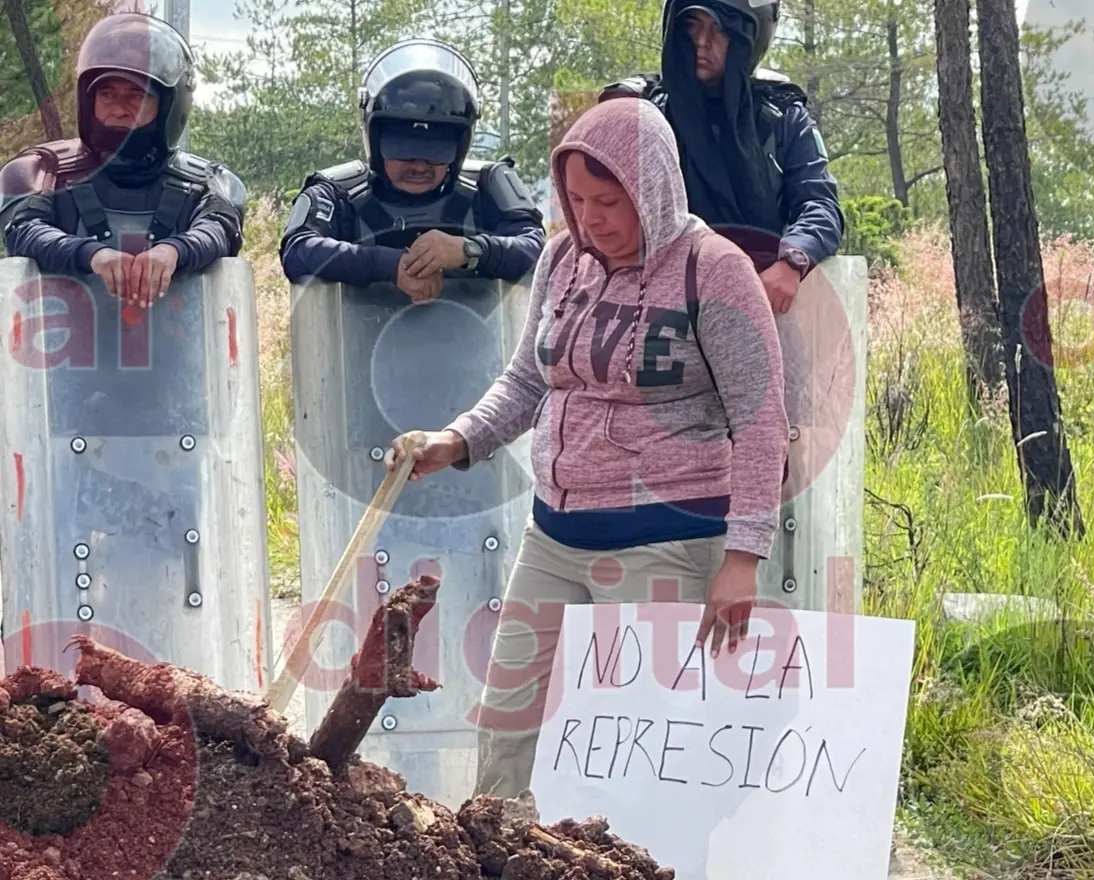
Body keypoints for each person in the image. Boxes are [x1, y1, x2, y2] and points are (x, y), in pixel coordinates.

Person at [383, 96, 789, 798]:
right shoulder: (563, 260)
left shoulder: (712, 269)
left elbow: (760, 419)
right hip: (555, 536)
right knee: (508, 715)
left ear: (653, 190)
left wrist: (743, 557)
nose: (591, 217)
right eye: (576, 199)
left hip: (665, 540)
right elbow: (524, 380)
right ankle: (497, 852)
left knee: (646, 741)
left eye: (609, 200)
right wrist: (455, 439)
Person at [599, 0, 844, 315]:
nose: (703, 42)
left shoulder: (782, 116)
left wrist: (793, 260)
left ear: (747, 38)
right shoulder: (647, 113)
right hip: (663, 302)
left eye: (720, 29)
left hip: (762, 296)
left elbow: (820, 205)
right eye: (692, 26)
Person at [0, 13, 246, 307]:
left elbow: (220, 228)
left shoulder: (209, 184)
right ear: (88, 99)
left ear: (170, 103)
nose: (118, 108)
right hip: (63, 350)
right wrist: (91, 254)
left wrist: (173, 251)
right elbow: (23, 229)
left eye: (136, 96)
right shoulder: (42, 173)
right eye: (107, 94)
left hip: (176, 349)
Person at [279, 38, 544, 299]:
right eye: (402, 149)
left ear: (459, 147)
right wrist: (390, 265)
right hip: (360, 341)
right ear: (376, 140)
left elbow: (538, 251)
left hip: (484, 341)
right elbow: (298, 250)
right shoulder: (337, 192)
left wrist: (469, 250)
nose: (419, 166)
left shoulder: (488, 185)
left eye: (436, 152)